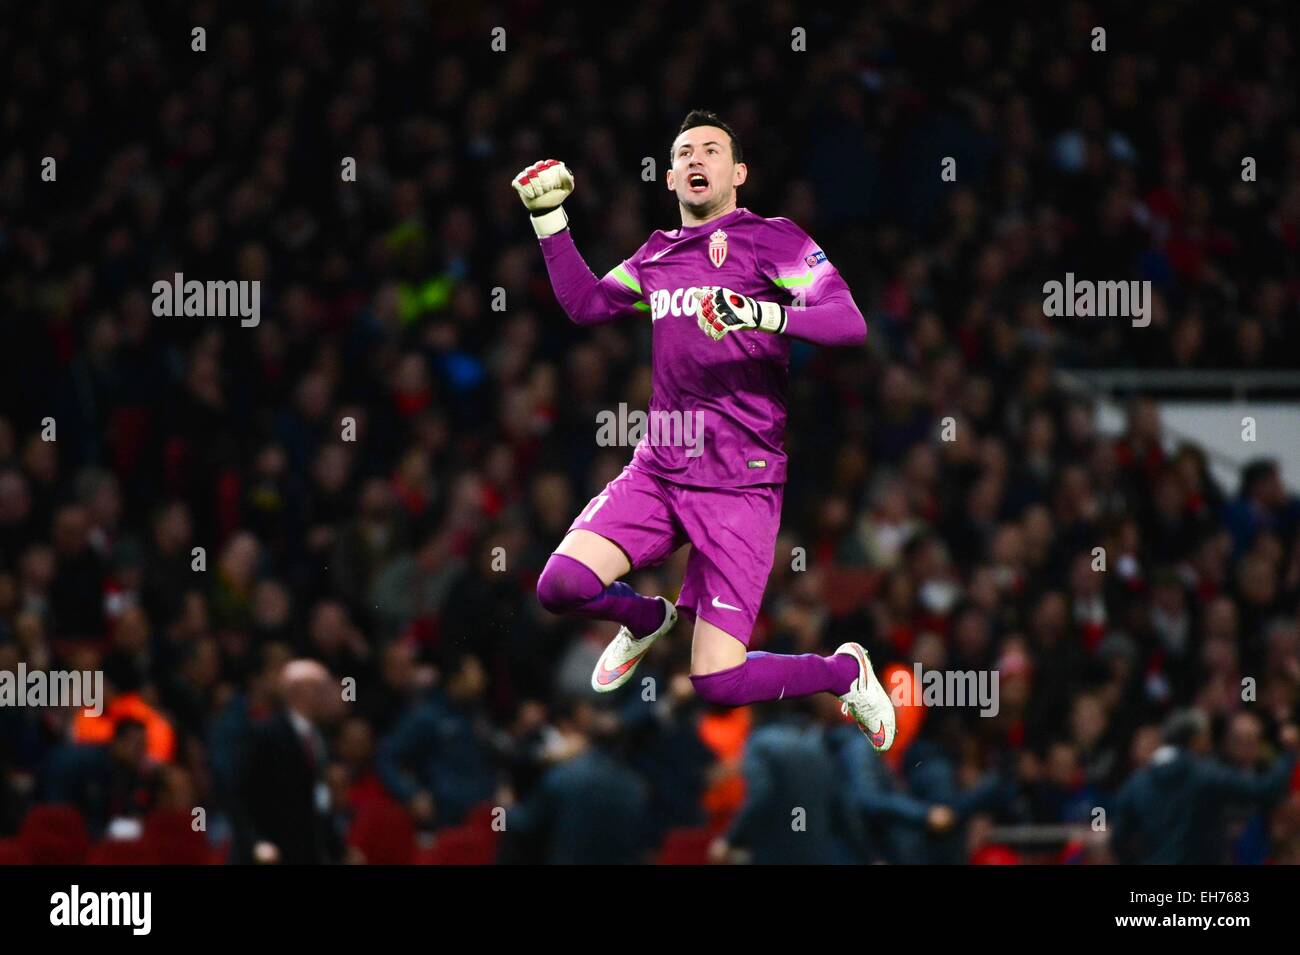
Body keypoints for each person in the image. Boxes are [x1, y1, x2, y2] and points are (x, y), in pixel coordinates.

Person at [514, 110, 895, 752]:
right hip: (660, 469)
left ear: (738, 172)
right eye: (684, 151)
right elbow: (585, 306)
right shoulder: (657, 255)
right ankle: (646, 619)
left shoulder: (772, 241)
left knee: (716, 682)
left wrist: (761, 312)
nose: (697, 158)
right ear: (669, 176)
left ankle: (843, 672)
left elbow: (848, 322)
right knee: (561, 587)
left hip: (740, 486)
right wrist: (549, 222)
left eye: (712, 150)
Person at [1108, 708, 1299, 864]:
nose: (1209, 745)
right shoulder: (1203, 774)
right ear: (1196, 740)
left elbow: (1118, 840)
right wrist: (1289, 752)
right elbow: (1266, 790)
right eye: (1206, 737)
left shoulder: (1136, 781)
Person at [230, 659, 342, 864]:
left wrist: (338, 848)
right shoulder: (265, 734)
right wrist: (256, 842)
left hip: (306, 854)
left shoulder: (319, 739)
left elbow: (319, 800)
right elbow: (238, 796)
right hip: (272, 853)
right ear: (300, 691)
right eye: (322, 688)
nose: (329, 694)